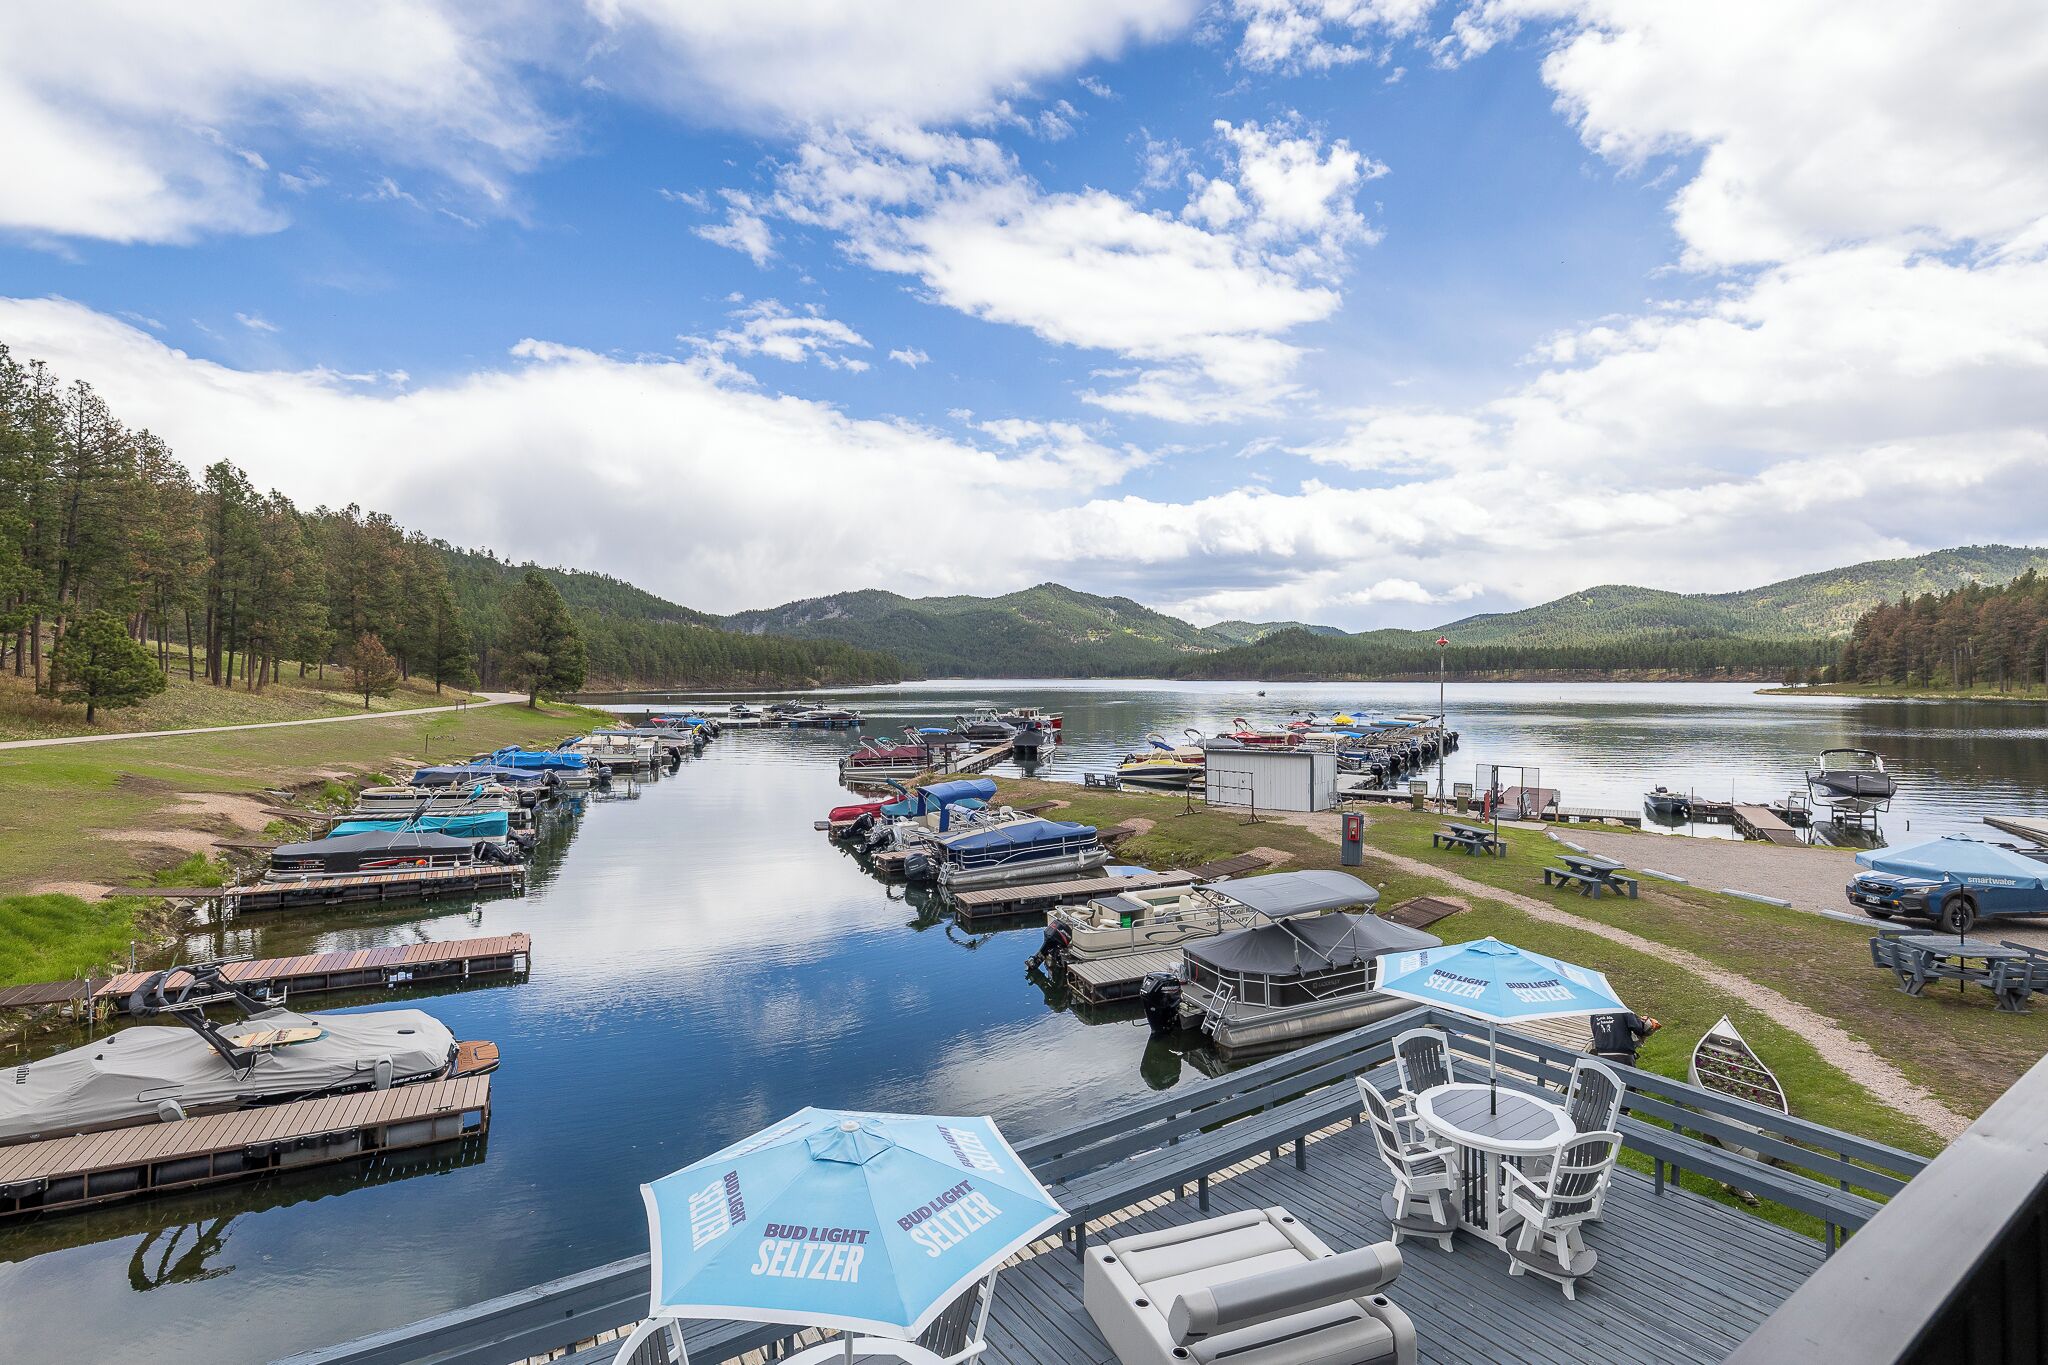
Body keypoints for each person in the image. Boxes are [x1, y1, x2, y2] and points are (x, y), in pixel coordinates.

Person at [1589, 1010, 1660, 1065]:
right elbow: (1639, 1029)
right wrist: (1646, 1022)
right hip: (1623, 1056)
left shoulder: (1594, 1014)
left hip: (1602, 1055)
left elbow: (1594, 1032)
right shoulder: (1623, 1011)